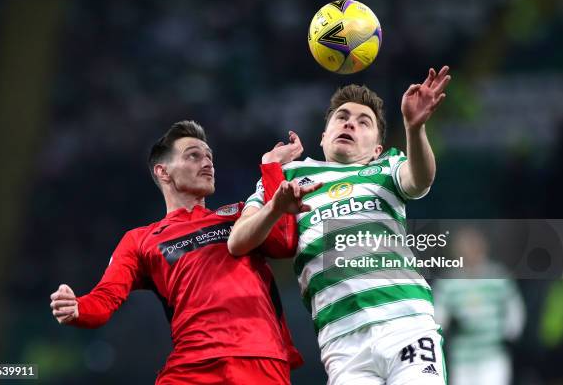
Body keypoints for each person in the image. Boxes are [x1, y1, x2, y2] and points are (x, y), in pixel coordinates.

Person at [228, 67, 451, 385]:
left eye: (364, 123)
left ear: (376, 148)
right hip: (341, 341)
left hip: (406, 321)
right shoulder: (288, 176)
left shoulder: (385, 167)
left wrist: (415, 129)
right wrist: (276, 207)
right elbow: (237, 241)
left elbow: (420, 181)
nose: (350, 123)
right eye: (342, 117)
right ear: (323, 136)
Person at [49, 120, 305, 384]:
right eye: (193, 156)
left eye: (209, 157)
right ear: (163, 171)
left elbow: (283, 242)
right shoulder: (140, 240)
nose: (207, 163)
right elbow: (104, 300)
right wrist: (78, 308)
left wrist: (272, 165)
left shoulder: (240, 215)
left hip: (258, 359)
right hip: (191, 366)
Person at [433, 227, 525, 385]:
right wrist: (445, 326)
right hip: (462, 358)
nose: (470, 252)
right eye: (465, 247)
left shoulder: (497, 276)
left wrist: (510, 333)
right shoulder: (448, 282)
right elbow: (437, 316)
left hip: (493, 355)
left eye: (474, 246)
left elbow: (514, 307)